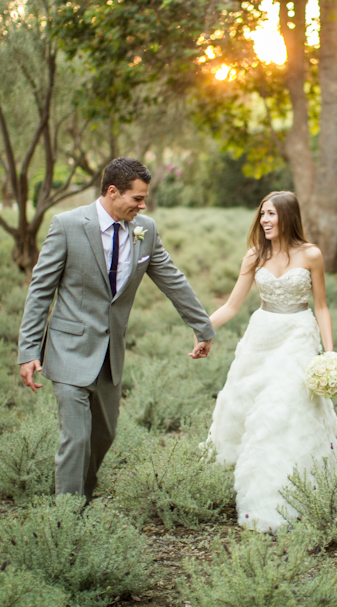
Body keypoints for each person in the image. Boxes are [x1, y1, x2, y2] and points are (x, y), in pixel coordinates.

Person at [18, 157, 215, 502]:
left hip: (111, 356)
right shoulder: (66, 225)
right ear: (112, 192)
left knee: (103, 436)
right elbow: (40, 291)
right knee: (75, 438)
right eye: (137, 199)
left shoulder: (145, 230)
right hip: (68, 348)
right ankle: (67, 518)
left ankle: (83, 497)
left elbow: (173, 280)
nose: (142, 206)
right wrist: (29, 351)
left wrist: (202, 327)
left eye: (144, 199)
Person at [206, 190, 337, 533]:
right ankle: (243, 483)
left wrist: (330, 352)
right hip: (261, 337)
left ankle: (286, 494)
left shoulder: (311, 255)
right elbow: (233, 305)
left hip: (298, 335)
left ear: (288, 217)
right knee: (247, 406)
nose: (265, 220)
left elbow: (321, 305)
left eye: (272, 214)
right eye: (262, 214)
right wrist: (203, 328)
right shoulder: (254, 255)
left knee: (283, 410)